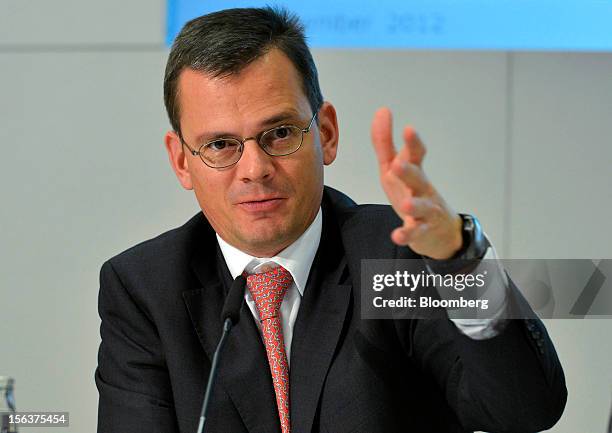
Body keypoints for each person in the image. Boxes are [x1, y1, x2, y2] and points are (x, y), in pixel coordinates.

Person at [95, 7, 567, 433]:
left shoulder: (396, 255)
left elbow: (523, 411)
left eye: (279, 133)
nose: (255, 169)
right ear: (182, 161)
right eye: (220, 145)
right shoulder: (144, 288)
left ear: (326, 133)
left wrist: (460, 262)